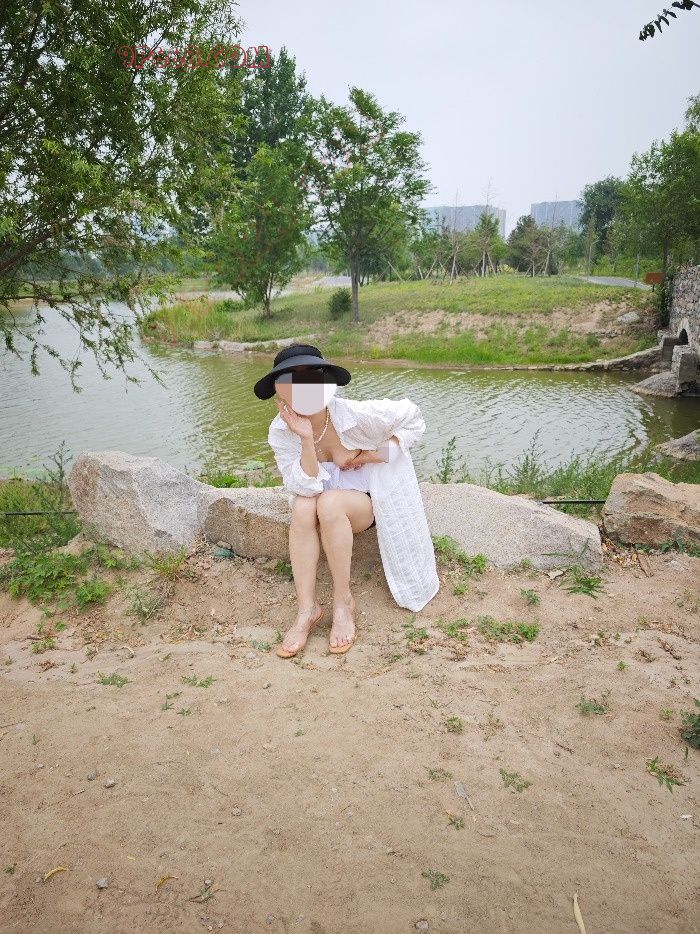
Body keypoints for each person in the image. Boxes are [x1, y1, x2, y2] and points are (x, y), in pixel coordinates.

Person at [254, 343, 439, 659]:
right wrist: (305, 438)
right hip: (317, 503)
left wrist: (373, 455)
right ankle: (307, 609)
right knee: (303, 506)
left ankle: (343, 603)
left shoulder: (355, 414)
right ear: (279, 391)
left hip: (362, 506)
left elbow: (414, 419)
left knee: (330, 503)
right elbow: (304, 486)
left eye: (311, 377)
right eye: (292, 380)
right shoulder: (280, 432)